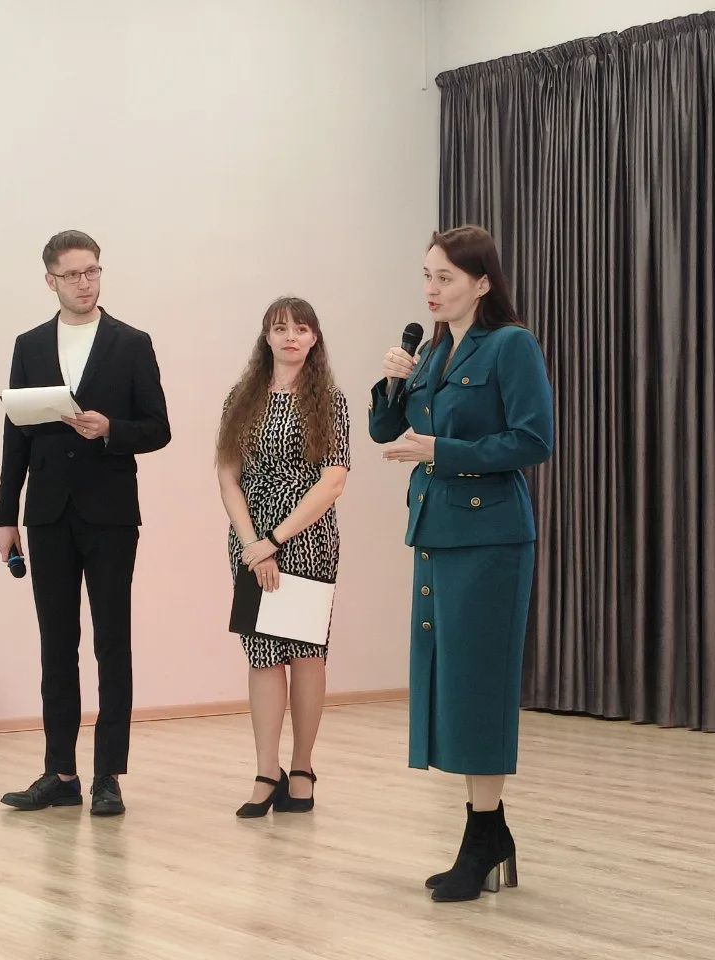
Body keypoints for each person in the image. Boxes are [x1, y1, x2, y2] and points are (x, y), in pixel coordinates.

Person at [368, 225, 554, 902]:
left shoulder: (511, 345)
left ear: (481, 283)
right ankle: (489, 833)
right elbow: (385, 432)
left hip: (491, 539)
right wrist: (391, 384)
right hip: (437, 532)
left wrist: (440, 452)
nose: (432, 289)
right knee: (451, 685)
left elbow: (533, 440)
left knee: (478, 686)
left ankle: (482, 838)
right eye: (427, 275)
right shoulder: (432, 351)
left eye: (445, 277)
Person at [0, 229, 171, 818]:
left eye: (93, 271)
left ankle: (108, 775)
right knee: (56, 645)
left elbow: (159, 427)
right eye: (73, 274)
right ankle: (60, 773)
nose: (85, 283)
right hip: (47, 514)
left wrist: (111, 429)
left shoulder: (131, 343)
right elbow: (16, 435)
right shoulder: (29, 345)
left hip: (110, 514)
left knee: (111, 644)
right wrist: (5, 515)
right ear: (51, 280)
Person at [215, 296, 350, 818]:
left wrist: (274, 540)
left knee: (306, 655)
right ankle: (265, 771)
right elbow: (228, 476)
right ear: (266, 337)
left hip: (307, 540)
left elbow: (332, 481)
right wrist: (254, 545)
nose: (290, 337)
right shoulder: (241, 397)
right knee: (263, 657)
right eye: (280, 328)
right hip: (250, 544)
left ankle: (302, 768)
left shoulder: (329, 400)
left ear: (314, 338)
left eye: (300, 328)